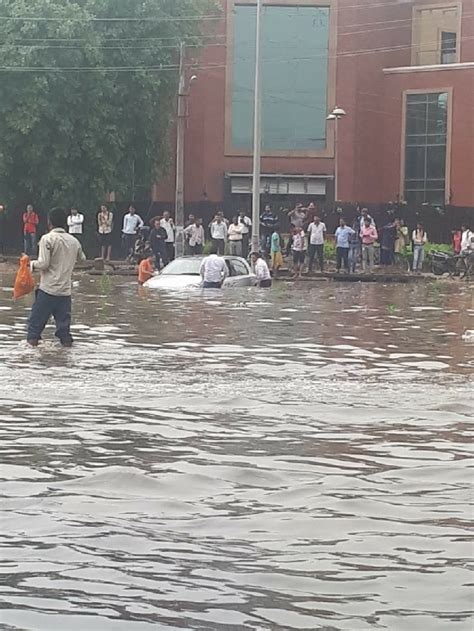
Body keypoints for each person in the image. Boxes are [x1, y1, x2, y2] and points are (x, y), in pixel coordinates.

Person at [27, 207, 86, 347]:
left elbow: (44, 264)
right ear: (65, 223)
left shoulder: (47, 239)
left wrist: (30, 264)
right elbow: (82, 259)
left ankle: (30, 362)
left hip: (47, 290)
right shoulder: (74, 242)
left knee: (33, 331)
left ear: (49, 222)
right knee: (64, 332)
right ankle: (66, 359)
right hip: (65, 293)